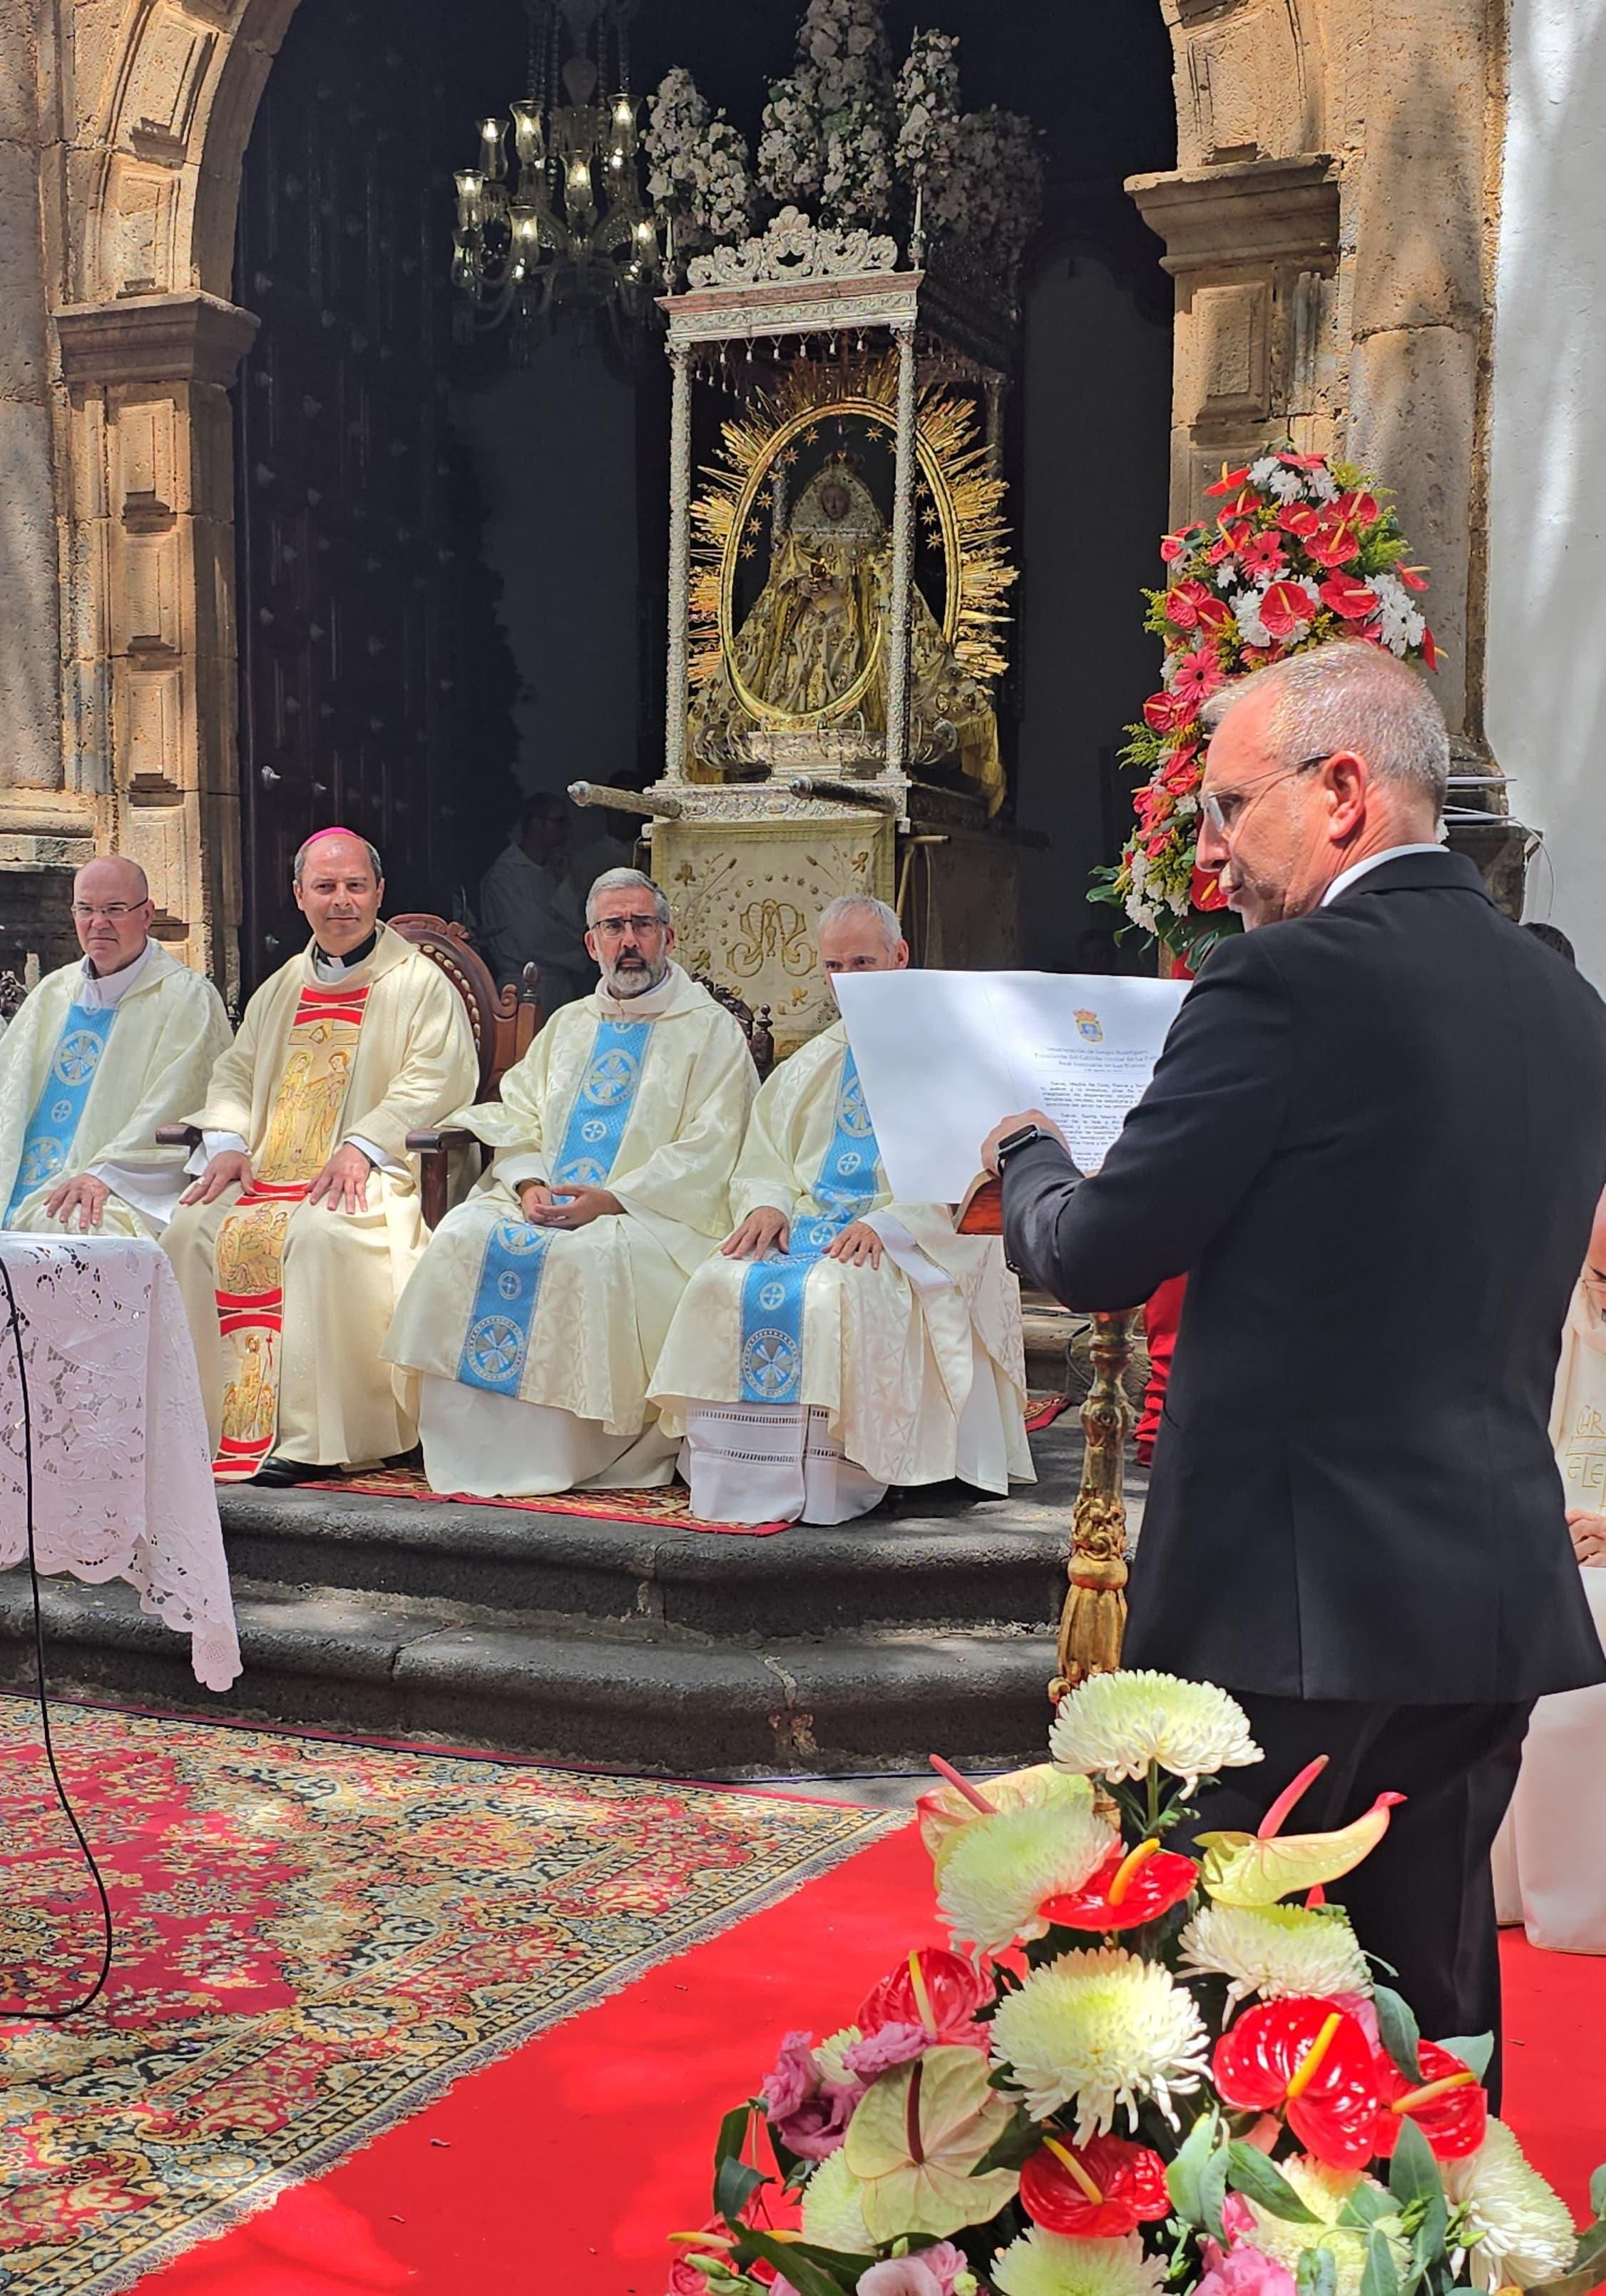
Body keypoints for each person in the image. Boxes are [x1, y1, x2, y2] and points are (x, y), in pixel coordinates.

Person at [983, 638, 1606, 2088]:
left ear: (1340, 791)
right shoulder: (1566, 1007)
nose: (1211, 857)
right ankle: (1435, 2230)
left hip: (1289, 1598)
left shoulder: (1284, 983)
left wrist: (1022, 1157)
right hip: (1486, 1585)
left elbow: (1094, 1252)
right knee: (1435, 1974)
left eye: (1225, 807)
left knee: (1229, 1977)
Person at [651, 894, 1033, 1526]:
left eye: (863, 961)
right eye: (835, 965)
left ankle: (840, 1479)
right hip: (812, 1227)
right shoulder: (811, 1064)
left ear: (900, 957)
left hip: (908, 1239)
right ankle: (738, 1479)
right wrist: (769, 1204)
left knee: (832, 1292)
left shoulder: (952, 1055)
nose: (848, 980)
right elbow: (764, 1154)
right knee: (719, 1279)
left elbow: (970, 1176)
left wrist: (889, 1224)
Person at [383, 869, 757, 1496]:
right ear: (592, 944)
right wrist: (529, 1183)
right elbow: (519, 1113)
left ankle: (575, 1455)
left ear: (667, 935)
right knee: (463, 1235)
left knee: (591, 1260)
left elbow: (714, 1147)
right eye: (614, 927)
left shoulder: (708, 1031)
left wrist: (611, 1200)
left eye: (641, 925)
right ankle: (469, 1449)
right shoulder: (569, 1025)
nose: (629, 940)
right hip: (547, 1201)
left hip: (649, 1220)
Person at [163, 830, 478, 1484]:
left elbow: (436, 1079)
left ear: (380, 892)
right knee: (191, 1228)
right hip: (271, 1169)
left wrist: (363, 1143)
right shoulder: (281, 987)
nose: (342, 901)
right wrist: (224, 1142)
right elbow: (235, 1073)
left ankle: (317, 1439)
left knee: (319, 1234)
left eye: (356, 886)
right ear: (299, 894)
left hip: (380, 1171)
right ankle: (209, 1429)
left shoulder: (420, 984)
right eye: (326, 887)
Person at [687, 452, 1004, 812]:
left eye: (840, 499)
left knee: (847, 668)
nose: (835, 505)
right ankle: (793, 730)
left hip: (849, 626)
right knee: (794, 674)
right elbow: (784, 584)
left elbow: (879, 581)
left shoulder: (867, 541)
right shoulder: (802, 541)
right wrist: (804, 587)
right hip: (805, 631)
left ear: (851, 499)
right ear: (819, 502)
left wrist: (846, 588)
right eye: (829, 500)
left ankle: (844, 727)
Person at [0, 856, 231, 1235]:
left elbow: (178, 1106)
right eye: (86, 909)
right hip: (19, 1181)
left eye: (114, 910)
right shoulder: (53, 993)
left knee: (75, 1225)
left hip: (123, 1186)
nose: (98, 923)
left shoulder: (187, 999)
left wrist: (103, 1174)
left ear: (147, 915)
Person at [477, 792, 593, 1005]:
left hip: (561, 986)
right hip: (523, 988)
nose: (567, 831)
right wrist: (580, 948)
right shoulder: (505, 875)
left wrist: (565, 881)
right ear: (535, 823)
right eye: (559, 822)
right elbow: (534, 936)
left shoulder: (555, 871)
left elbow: (580, 923)